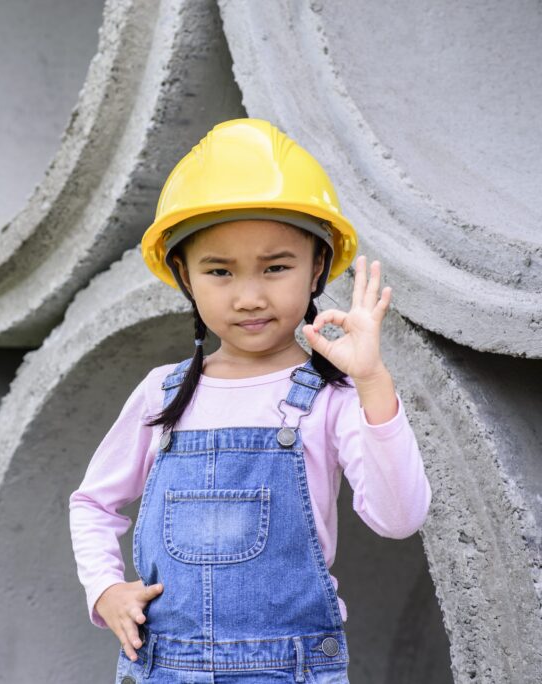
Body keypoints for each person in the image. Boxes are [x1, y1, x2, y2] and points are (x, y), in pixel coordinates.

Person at [68, 118, 432, 684]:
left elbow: (399, 518)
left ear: (317, 268)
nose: (249, 296)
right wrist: (106, 589)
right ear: (184, 275)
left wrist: (372, 382)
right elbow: (93, 505)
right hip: (163, 668)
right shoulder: (161, 395)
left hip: (291, 671)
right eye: (220, 271)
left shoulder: (330, 398)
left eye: (276, 267)